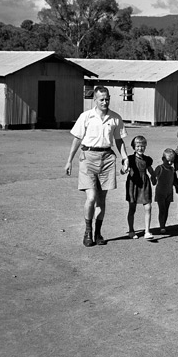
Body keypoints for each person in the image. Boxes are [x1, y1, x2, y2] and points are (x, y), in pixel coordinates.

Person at [64, 85, 129, 247]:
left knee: (101, 200)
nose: (105, 102)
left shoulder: (115, 118)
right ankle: (88, 231)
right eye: (101, 99)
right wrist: (69, 160)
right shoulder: (86, 116)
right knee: (91, 197)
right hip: (88, 157)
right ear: (95, 100)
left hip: (107, 159)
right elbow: (77, 138)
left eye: (107, 99)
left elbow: (119, 140)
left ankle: (98, 232)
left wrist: (125, 157)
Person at [125, 136, 155, 239]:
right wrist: (124, 169)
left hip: (145, 184)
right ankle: (131, 230)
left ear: (145, 146)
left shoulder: (147, 159)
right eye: (138, 146)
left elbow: (150, 170)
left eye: (142, 146)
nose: (140, 148)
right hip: (133, 184)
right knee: (132, 208)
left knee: (148, 207)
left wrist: (154, 177)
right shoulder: (130, 159)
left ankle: (147, 231)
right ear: (134, 147)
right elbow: (123, 169)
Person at [152, 148, 178, 234]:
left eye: (172, 161)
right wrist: (153, 180)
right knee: (162, 209)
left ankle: (164, 225)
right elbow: (153, 177)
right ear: (163, 159)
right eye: (168, 161)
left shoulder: (172, 169)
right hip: (160, 192)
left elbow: (173, 180)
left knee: (166, 209)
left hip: (169, 192)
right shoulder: (160, 168)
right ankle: (162, 226)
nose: (170, 163)